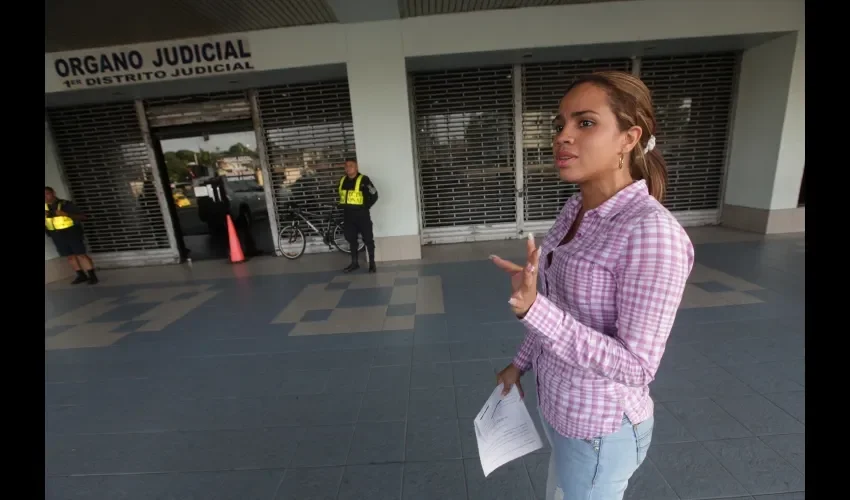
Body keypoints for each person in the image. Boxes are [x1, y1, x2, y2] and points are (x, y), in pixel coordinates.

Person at [491, 71, 694, 500]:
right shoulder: (575, 208)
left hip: (600, 429)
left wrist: (534, 309)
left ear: (628, 138)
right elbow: (560, 304)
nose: (563, 136)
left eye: (585, 123)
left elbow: (638, 367)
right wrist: (520, 362)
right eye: (559, 124)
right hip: (562, 409)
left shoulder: (651, 233)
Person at [45, 186, 98, 285]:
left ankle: (92, 275)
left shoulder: (65, 204)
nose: (45, 197)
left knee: (81, 254)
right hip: (56, 234)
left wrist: (65, 214)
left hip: (71, 232)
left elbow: (83, 216)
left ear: (53, 193)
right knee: (69, 256)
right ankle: (81, 275)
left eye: (47, 194)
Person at [338, 157, 379, 273]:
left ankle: (372, 264)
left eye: (350, 166)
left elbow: (374, 194)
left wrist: (365, 207)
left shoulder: (364, 180)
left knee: (368, 239)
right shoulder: (342, 180)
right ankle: (354, 263)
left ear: (356, 167)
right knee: (350, 239)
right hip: (348, 215)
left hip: (362, 215)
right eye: (346, 166)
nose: (348, 168)